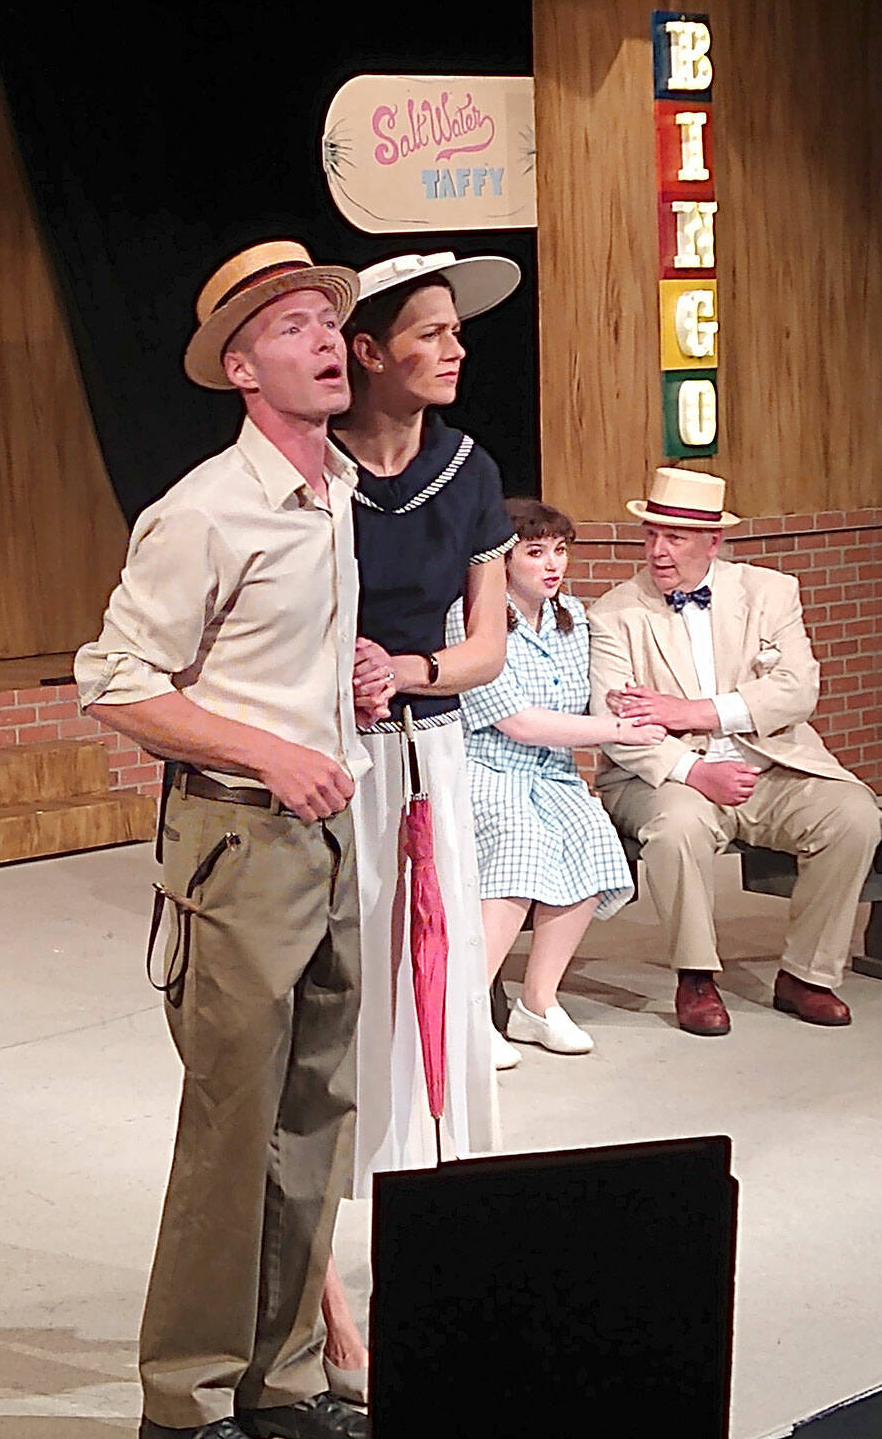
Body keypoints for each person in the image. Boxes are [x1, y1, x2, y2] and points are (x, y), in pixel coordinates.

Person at [75, 240, 373, 1439]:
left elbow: (271, 656)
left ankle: (286, 1378)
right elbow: (115, 682)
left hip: (329, 831)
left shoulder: (337, 488)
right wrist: (269, 751)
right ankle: (189, 1399)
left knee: (316, 1120)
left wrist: (350, 683)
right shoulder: (204, 510)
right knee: (232, 1129)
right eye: (293, 327)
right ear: (241, 368)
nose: (325, 340)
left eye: (326, 321)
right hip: (240, 840)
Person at [319, 249, 518, 1387]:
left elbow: (487, 647)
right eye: (430, 332)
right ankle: (322, 1289)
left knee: (435, 993)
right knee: (336, 1006)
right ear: (368, 350)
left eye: (454, 331)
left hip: (427, 752)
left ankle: (434, 1253)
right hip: (326, 762)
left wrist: (412, 669)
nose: (454, 349)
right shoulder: (312, 471)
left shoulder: (469, 470)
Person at [587, 466, 882, 1037]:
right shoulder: (613, 614)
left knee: (853, 816)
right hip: (664, 774)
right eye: (651, 535)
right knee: (678, 830)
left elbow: (797, 691)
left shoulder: (770, 592)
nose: (658, 550)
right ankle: (696, 976)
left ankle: (807, 975)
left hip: (771, 764)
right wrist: (695, 769)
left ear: (712, 542)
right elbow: (616, 721)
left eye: (675, 537)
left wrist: (692, 712)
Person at [448, 498, 662, 1067]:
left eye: (560, 551)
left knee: (590, 836)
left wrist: (625, 705)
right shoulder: (467, 616)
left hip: (552, 772)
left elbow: (587, 699)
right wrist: (613, 728)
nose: (552, 565)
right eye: (535, 552)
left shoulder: (572, 616)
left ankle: (538, 1003)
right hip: (486, 767)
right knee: (521, 842)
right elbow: (516, 722)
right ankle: (465, 1011)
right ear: (502, 559)